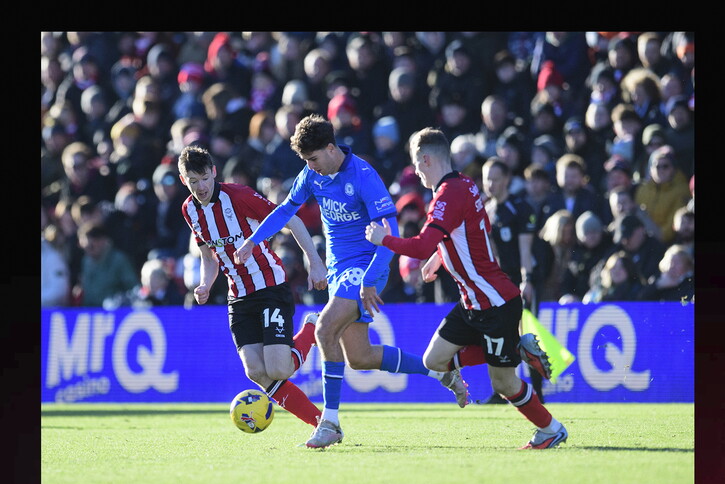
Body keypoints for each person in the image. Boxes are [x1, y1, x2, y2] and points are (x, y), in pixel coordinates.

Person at [233, 114, 469, 449]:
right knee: (360, 356)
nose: (310, 167)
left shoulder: (363, 176)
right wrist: (252, 241)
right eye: (306, 162)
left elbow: (391, 231)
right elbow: (286, 210)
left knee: (324, 329)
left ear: (331, 149)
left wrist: (371, 279)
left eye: (313, 159)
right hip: (339, 270)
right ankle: (442, 373)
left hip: (367, 266)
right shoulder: (313, 174)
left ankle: (329, 423)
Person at [365, 127, 568, 450]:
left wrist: (383, 239)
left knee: (503, 382)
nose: (416, 172)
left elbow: (418, 246)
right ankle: (518, 349)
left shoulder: (448, 194)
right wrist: (438, 258)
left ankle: (551, 429)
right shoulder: (465, 184)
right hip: (473, 302)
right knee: (434, 360)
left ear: (426, 159)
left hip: (496, 302)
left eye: (417, 165)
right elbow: (464, 236)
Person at [177, 144, 328, 433]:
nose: (201, 186)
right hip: (238, 298)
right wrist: (205, 284)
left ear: (214, 172)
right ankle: (321, 424)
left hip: (269, 286)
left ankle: (310, 328)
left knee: (280, 369)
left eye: (204, 178)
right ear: (185, 181)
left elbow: (291, 220)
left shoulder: (239, 196)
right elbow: (209, 255)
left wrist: (314, 262)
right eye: (193, 182)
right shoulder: (190, 210)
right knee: (256, 371)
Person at [476, 157, 548, 404]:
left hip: (518, 283)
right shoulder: (485, 209)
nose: (491, 184)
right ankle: (501, 392)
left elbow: (525, 250)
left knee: (526, 339)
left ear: (506, 179)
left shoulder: (520, 209)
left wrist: (526, 280)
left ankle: (538, 394)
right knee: (497, 338)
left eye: (496, 179)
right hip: (496, 286)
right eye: (487, 179)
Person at [73, 223, 140, 308]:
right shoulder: (86, 261)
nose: (89, 250)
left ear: (103, 241)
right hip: (91, 312)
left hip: (115, 313)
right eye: (85, 247)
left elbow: (134, 288)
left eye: (92, 246)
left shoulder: (119, 260)